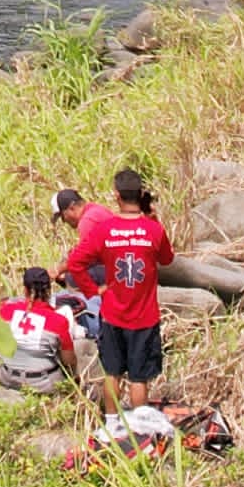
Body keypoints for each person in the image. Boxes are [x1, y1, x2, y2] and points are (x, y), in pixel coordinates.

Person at [60, 168, 175, 408]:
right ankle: (140, 424)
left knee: (112, 373)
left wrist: (92, 291)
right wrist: (154, 221)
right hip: (145, 316)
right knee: (139, 378)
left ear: (117, 195)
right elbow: (167, 259)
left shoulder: (105, 230)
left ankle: (112, 422)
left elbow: (75, 262)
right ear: (140, 194)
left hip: (112, 313)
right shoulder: (152, 229)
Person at [0, 266, 84, 394]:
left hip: (8, 378)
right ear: (49, 290)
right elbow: (69, 361)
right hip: (43, 384)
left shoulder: (5, 311)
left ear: (25, 289)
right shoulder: (58, 321)